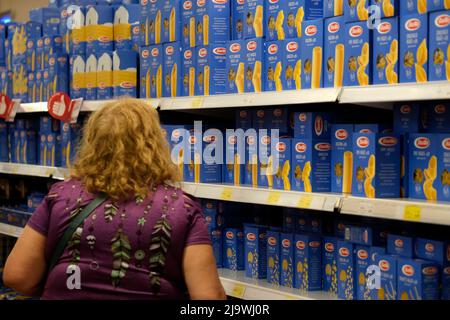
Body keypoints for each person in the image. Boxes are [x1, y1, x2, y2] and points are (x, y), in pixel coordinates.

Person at [3, 98, 226, 300]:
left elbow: (17, 276)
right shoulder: (181, 207)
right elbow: (208, 297)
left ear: (92, 142)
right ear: (155, 145)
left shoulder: (61, 196)